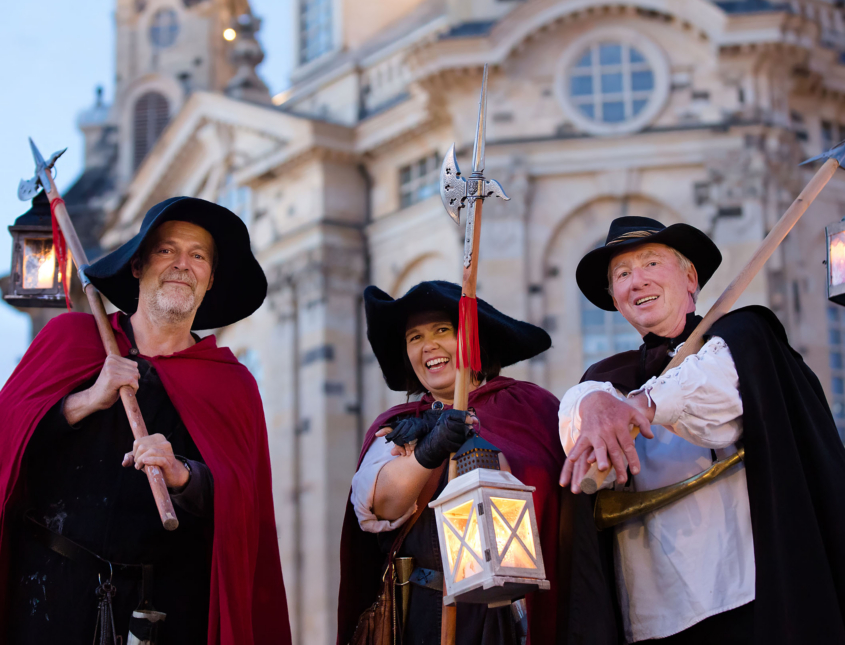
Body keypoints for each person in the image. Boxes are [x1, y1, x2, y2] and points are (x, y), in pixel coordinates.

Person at [0, 197, 291, 645]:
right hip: (45, 598)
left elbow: (244, 509)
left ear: (210, 280)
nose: (181, 264)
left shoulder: (232, 385)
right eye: (166, 250)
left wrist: (185, 476)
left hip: (162, 613)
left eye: (197, 256)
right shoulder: (69, 339)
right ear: (137, 266)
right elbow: (8, 439)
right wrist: (85, 400)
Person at [558, 216, 845, 643]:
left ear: (690, 278)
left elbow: (716, 392)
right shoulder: (603, 380)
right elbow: (573, 425)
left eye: (651, 264)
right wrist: (592, 402)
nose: (636, 281)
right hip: (654, 612)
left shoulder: (741, 339)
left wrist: (643, 404)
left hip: (748, 593)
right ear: (616, 299)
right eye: (622, 274)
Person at [337, 281, 618, 645]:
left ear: (473, 338)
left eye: (442, 330)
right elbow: (382, 503)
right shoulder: (397, 426)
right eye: (415, 337)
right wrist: (429, 450)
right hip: (429, 616)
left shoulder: (533, 408)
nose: (429, 346)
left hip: (525, 613)